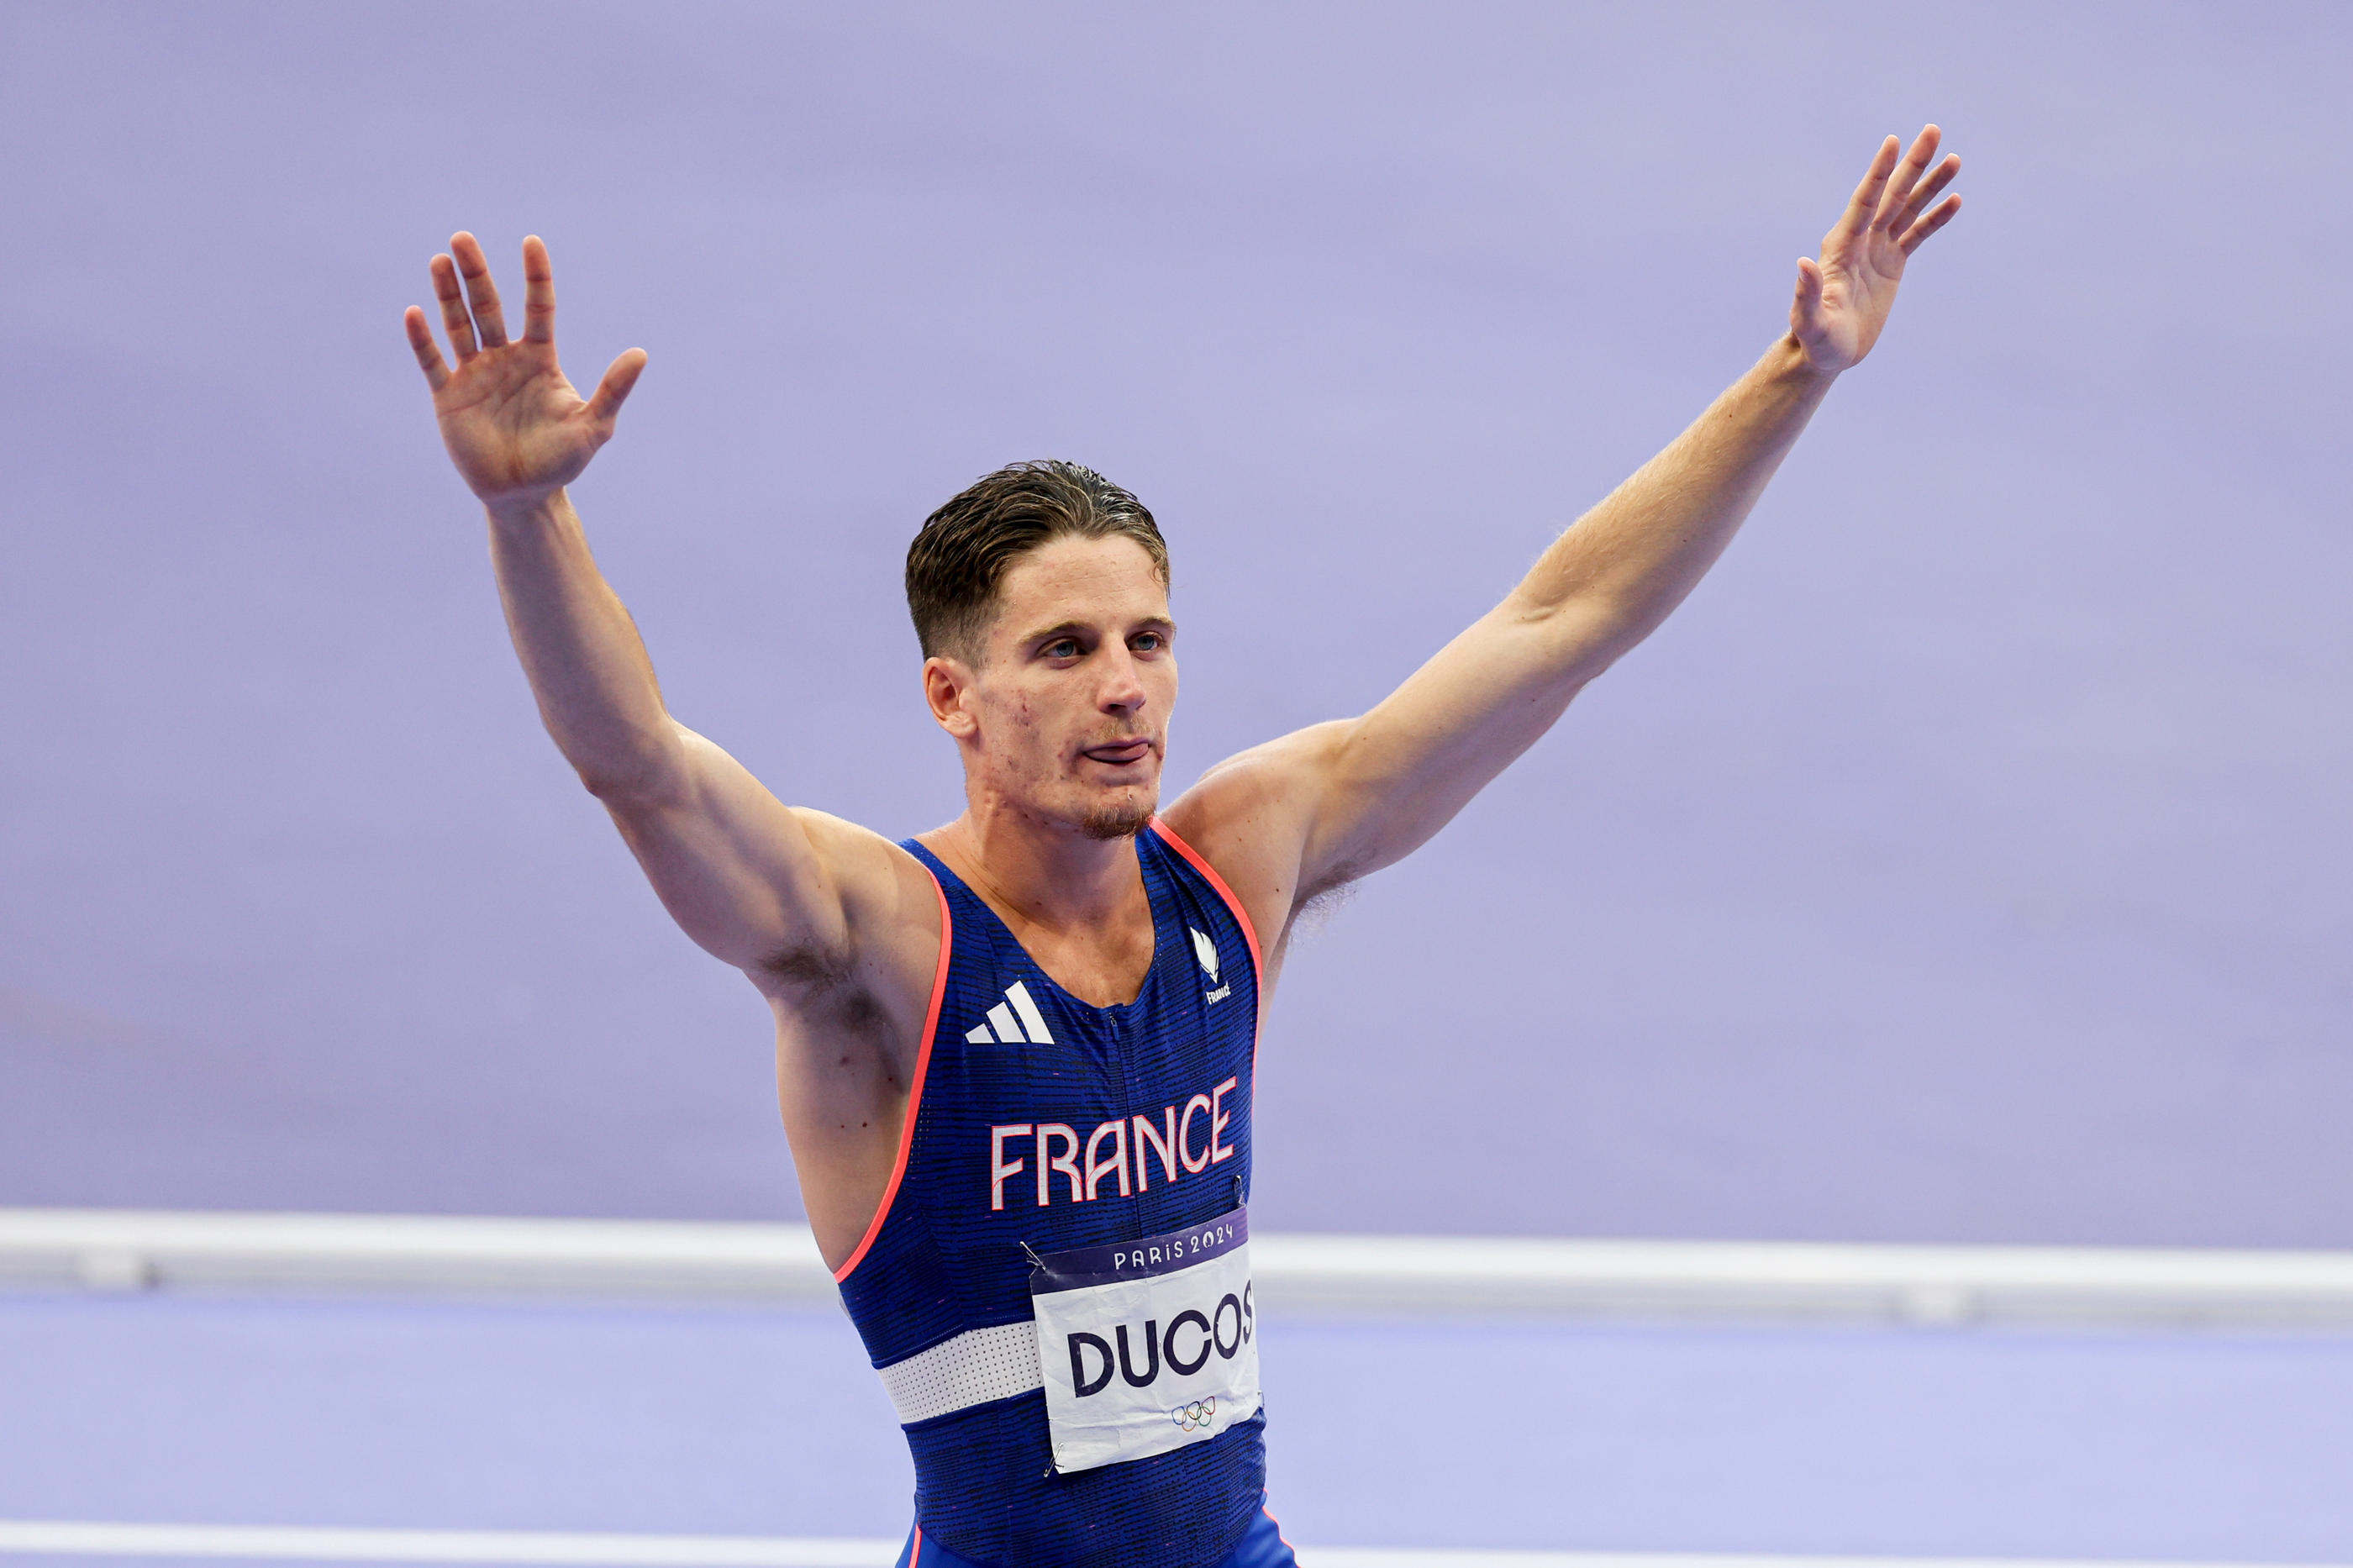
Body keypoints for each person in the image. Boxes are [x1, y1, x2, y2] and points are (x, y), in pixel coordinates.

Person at [403, 126, 1961, 1568]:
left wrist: (1793, 374)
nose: (1125, 685)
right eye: (1066, 647)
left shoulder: (1239, 862)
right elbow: (642, 773)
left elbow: (1561, 624)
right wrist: (527, 518)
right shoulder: (874, 943)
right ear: (952, 693)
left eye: (1148, 638)